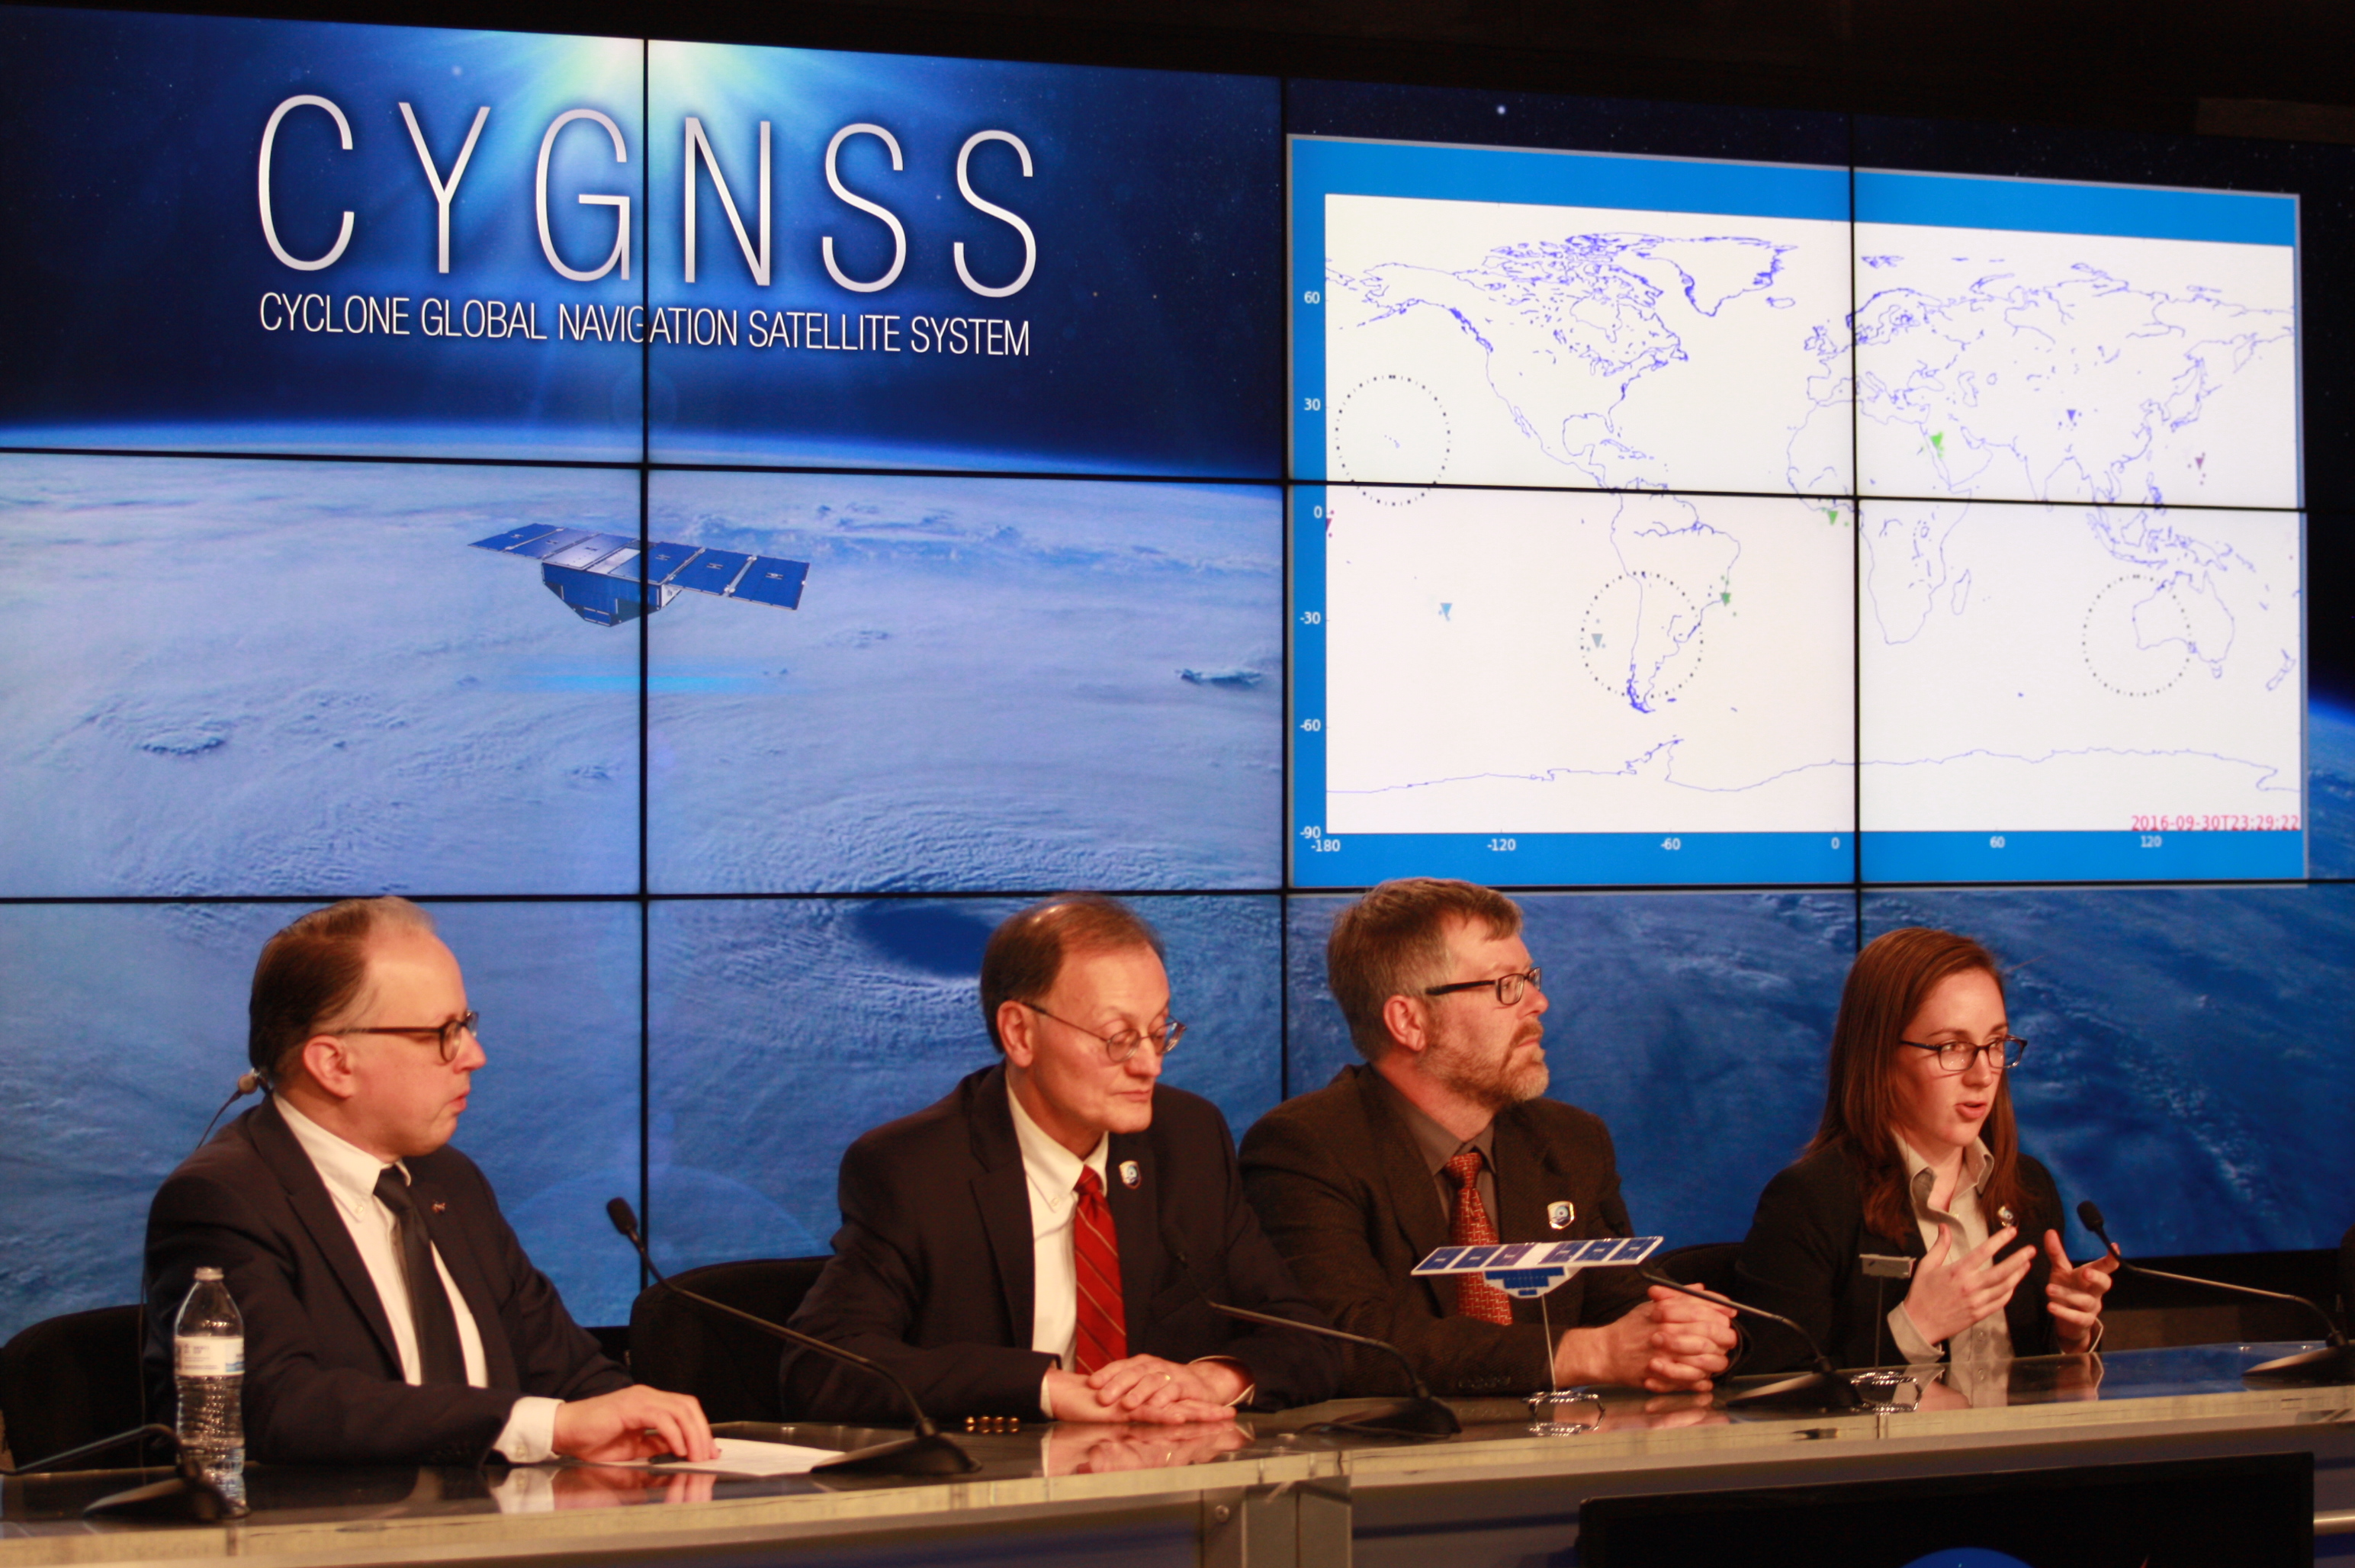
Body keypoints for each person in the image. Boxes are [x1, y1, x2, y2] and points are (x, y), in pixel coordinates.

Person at [143, 898, 715, 1467]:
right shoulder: (224, 1200)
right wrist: (545, 1426)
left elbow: (569, 1374)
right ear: (335, 1063)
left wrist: (645, 1424)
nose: (475, 1056)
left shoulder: (451, 1182)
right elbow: (272, 1406)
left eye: (467, 1025)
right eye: (444, 1033)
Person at [782, 895, 1340, 1425]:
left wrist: (1211, 1380)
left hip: (1169, 1491)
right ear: (1020, 1034)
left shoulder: (1187, 1139)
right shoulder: (915, 1169)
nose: (1150, 1065)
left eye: (1158, 1032)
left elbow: (1308, 1338)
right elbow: (826, 1366)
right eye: (1119, 1037)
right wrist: (1047, 1390)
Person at [1239, 879, 1737, 1398]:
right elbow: (1346, 1342)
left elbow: (1624, 1304)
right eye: (1506, 986)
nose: (1538, 1003)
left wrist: (1687, 1335)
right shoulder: (1306, 1149)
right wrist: (1588, 1354)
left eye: (1531, 978)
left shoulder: (1569, 1140)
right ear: (1409, 1021)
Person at [1733, 926, 2116, 1373]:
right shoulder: (1811, 1201)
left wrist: (2071, 1338)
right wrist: (1914, 1330)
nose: (1982, 1075)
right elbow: (1768, 1399)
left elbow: (2031, 1381)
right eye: (1952, 1047)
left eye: (1994, 1044)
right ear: (1880, 1053)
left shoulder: (2027, 1187)